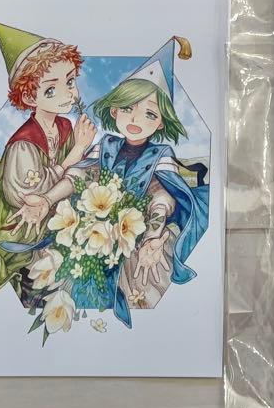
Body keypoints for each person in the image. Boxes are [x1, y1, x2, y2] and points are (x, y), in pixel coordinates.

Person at [0, 13, 96, 300]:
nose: (68, 94)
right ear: (30, 98)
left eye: (70, 82)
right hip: (23, 235)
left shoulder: (65, 126)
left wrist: (78, 157)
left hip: (57, 225)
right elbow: (27, 195)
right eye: (51, 88)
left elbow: (81, 175)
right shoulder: (23, 144)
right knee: (38, 290)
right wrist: (74, 155)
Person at [89, 37, 209, 320]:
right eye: (128, 108)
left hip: (139, 232)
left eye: (150, 113)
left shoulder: (160, 153)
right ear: (114, 110)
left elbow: (163, 196)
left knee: (140, 280)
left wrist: (154, 234)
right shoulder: (105, 145)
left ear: (160, 122)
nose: (136, 119)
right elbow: (81, 178)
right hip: (97, 228)